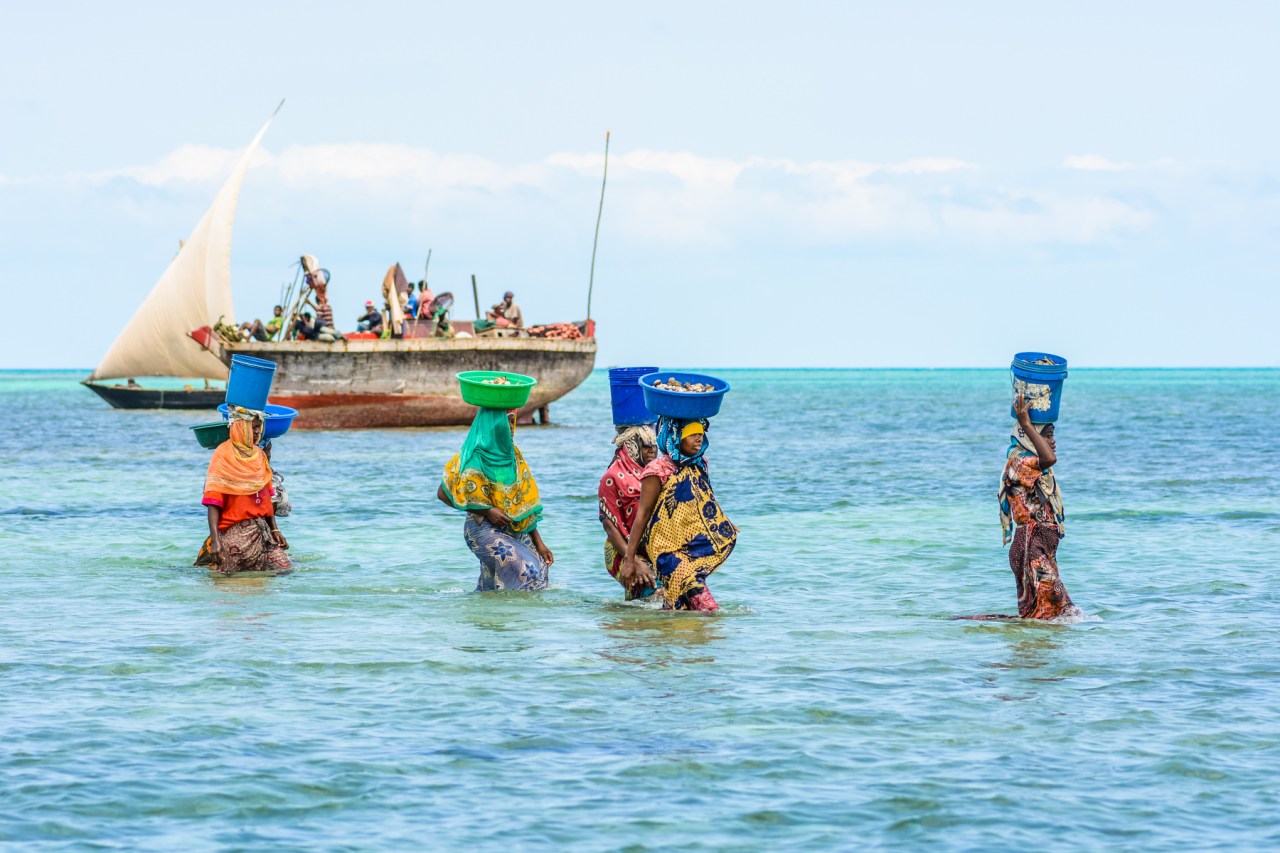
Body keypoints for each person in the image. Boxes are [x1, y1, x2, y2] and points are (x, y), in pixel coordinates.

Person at [621, 416, 736, 611]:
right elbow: (643, 514)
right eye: (692, 435)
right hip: (666, 550)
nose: (698, 439)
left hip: (692, 547)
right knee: (708, 608)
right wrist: (629, 559)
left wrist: (722, 521)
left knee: (680, 607)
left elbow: (704, 497)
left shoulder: (699, 463)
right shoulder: (657, 470)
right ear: (676, 436)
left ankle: (666, 637)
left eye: (700, 434)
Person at [436, 408, 554, 590]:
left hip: (515, 527)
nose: (509, 428)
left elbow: (523, 503)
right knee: (528, 571)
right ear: (491, 426)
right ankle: (517, 615)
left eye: (510, 423)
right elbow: (443, 494)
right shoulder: (471, 455)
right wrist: (486, 511)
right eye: (504, 424)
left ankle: (491, 614)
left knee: (539, 566)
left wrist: (540, 543)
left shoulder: (513, 456)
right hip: (482, 528)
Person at [997, 393, 1080, 620]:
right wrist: (1026, 423)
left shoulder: (1038, 470)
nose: (1053, 442)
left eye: (1053, 436)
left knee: (1047, 619)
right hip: (1030, 549)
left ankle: (1033, 653)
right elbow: (1049, 458)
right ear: (1029, 438)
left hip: (1041, 548)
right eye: (1048, 436)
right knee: (1066, 613)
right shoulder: (1019, 463)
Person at [195, 413, 291, 576]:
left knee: (285, 570)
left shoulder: (259, 455)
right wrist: (216, 541)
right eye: (252, 427)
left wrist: (275, 530)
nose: (256, 431)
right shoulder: (223, 455)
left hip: (262, 531)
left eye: (258, 427)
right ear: (241, 427)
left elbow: (267, 496)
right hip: (235, 533)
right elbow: (213, 502)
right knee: (231, 583)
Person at [599, 425, 660, 600]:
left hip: (651, 549)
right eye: (646, 445)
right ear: (631, 446)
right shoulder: (612, 477)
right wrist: (632, 560)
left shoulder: (655, 475)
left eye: (654, 445)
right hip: (621, 550)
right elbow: (610, 526)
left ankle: (627, 622)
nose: (652, 450)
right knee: (654, 593)